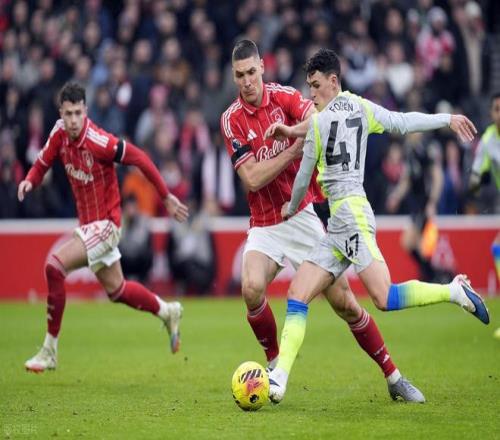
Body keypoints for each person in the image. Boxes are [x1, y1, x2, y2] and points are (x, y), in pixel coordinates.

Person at [265, 48, 490, 403]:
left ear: (333, 81)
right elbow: (402, 122)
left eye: (316, 85)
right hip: (342, 221)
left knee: (384, 297)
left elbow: (303, 177)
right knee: (298, 293)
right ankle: (279, 378)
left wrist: (290, 208)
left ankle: (453, 291)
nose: (311, 93)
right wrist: (445, 119)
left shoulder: (319, 124)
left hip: (350, 216)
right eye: (309, 86)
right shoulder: (360, 107)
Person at [221, 39, 424, 403]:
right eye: (239, 75)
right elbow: (251, 179)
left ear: (262, 67)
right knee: (251, 288)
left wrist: (296, 137)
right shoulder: (231, 119)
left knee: (346, 304)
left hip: (301, 215)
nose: (247, 81)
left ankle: (393, 376)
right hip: (264, 223)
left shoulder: (285, 97)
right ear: (234, 77)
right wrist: (296, 150)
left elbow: (320, 116)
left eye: (251, 72)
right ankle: (275, 364)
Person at [18, 82, 189, 373]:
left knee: (54, 267)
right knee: (117, 290)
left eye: (78, 113)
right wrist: (30, 180)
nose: (73, 120)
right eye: (68, 114)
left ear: (86, 111)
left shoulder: (100, 142)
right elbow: (43, 161)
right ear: (61, 113)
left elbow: (140, 158)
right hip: (88, 227)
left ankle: (49, 351)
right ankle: (167, 311)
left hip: (107, 225)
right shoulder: (59, 133)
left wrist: (165, 196)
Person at [386, 132, 450, 282]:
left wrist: (432, 202)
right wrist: (396, 197)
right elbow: (407, 179)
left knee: (413, 242)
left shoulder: (428, 148)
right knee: (410, 244)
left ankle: (432, 276)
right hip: (416, 204)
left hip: (425, 203)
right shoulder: (409, 150)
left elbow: (437, 176)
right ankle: (433, 275)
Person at [468, 92, 500, 335]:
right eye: (497, 109)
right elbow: (474, 182)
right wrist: (480, 181)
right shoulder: (488, 140)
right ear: (491, 113)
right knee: (497, 248)